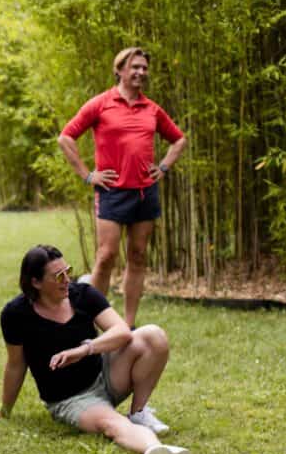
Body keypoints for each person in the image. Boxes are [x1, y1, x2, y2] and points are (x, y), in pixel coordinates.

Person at [0, 244, 190, 454]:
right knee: (112, 424)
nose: (67, 279)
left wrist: (85, 349)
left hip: (105, 375)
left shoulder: (82, 294)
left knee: (154, 336)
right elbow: (16, 365)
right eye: (58, 276)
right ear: (35, 282)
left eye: (68, 271)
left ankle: (139, 412)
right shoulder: (15, 314)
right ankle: (155, 450)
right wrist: (4, 411)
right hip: (71, 399)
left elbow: (122, 331)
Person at [57, 47, 188, 328]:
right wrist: (87, 175)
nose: (141, 72)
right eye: (135, 67)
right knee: (106, 257)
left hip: (144, 193)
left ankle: (127, 325)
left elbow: (179, 140)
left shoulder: (152, 108)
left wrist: (163, 167)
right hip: (112, 193)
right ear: (119, 70)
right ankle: (91, 322)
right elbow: (66, 137)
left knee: (138, 255)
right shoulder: (101, 103)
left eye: (144, 68)